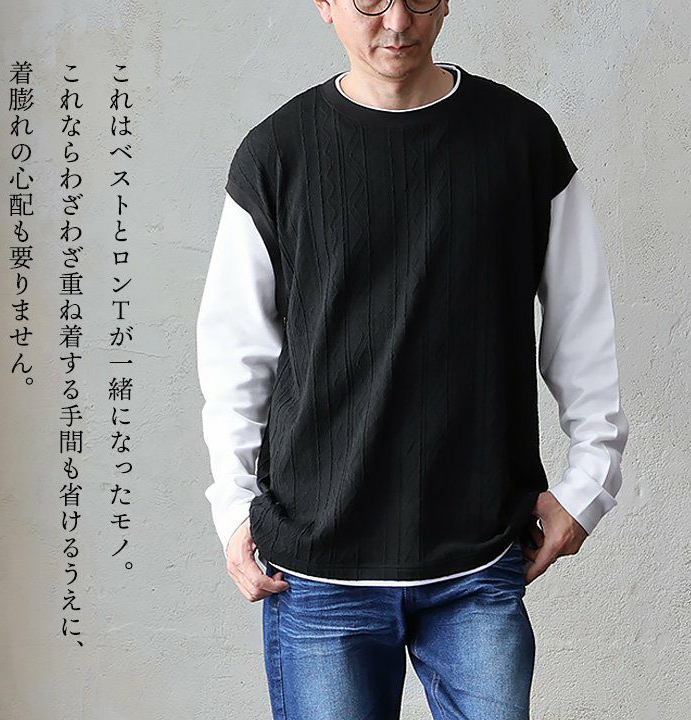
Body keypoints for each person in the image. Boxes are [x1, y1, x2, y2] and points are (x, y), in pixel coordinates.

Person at [196, 1, 630, 717]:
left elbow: (581, 325)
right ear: (325, 5)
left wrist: (590, 486)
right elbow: (235, 353)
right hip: (318, 570)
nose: (398, 20)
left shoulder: (520, 139)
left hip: (478, 557)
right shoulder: (277, 154)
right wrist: (233, 508)